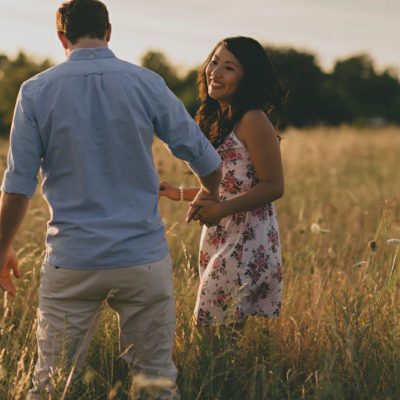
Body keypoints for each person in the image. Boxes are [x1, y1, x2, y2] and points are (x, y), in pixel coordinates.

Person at [0, 0, 221, 398]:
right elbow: (204, 156)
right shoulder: (146, 82)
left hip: (73, 259)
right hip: (142, 257)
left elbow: (18, 187)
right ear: (109, 32)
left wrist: (1, 248)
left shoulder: (34, 92)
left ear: (61, 37)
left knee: (53, 385)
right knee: (154, 382)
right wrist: (211, 192)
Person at [160, 36, 285, 328]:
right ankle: (232, 375)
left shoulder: (253, 119)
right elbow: (228, 187)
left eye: (229, 67)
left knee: (208, 327)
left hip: (245, 237)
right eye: (214, 62)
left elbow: (274, 186)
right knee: (222, 331)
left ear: (246, 78)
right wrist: (177, 193)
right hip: (222, 233)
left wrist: (220, 212)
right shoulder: (220, 117)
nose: (215, 72)